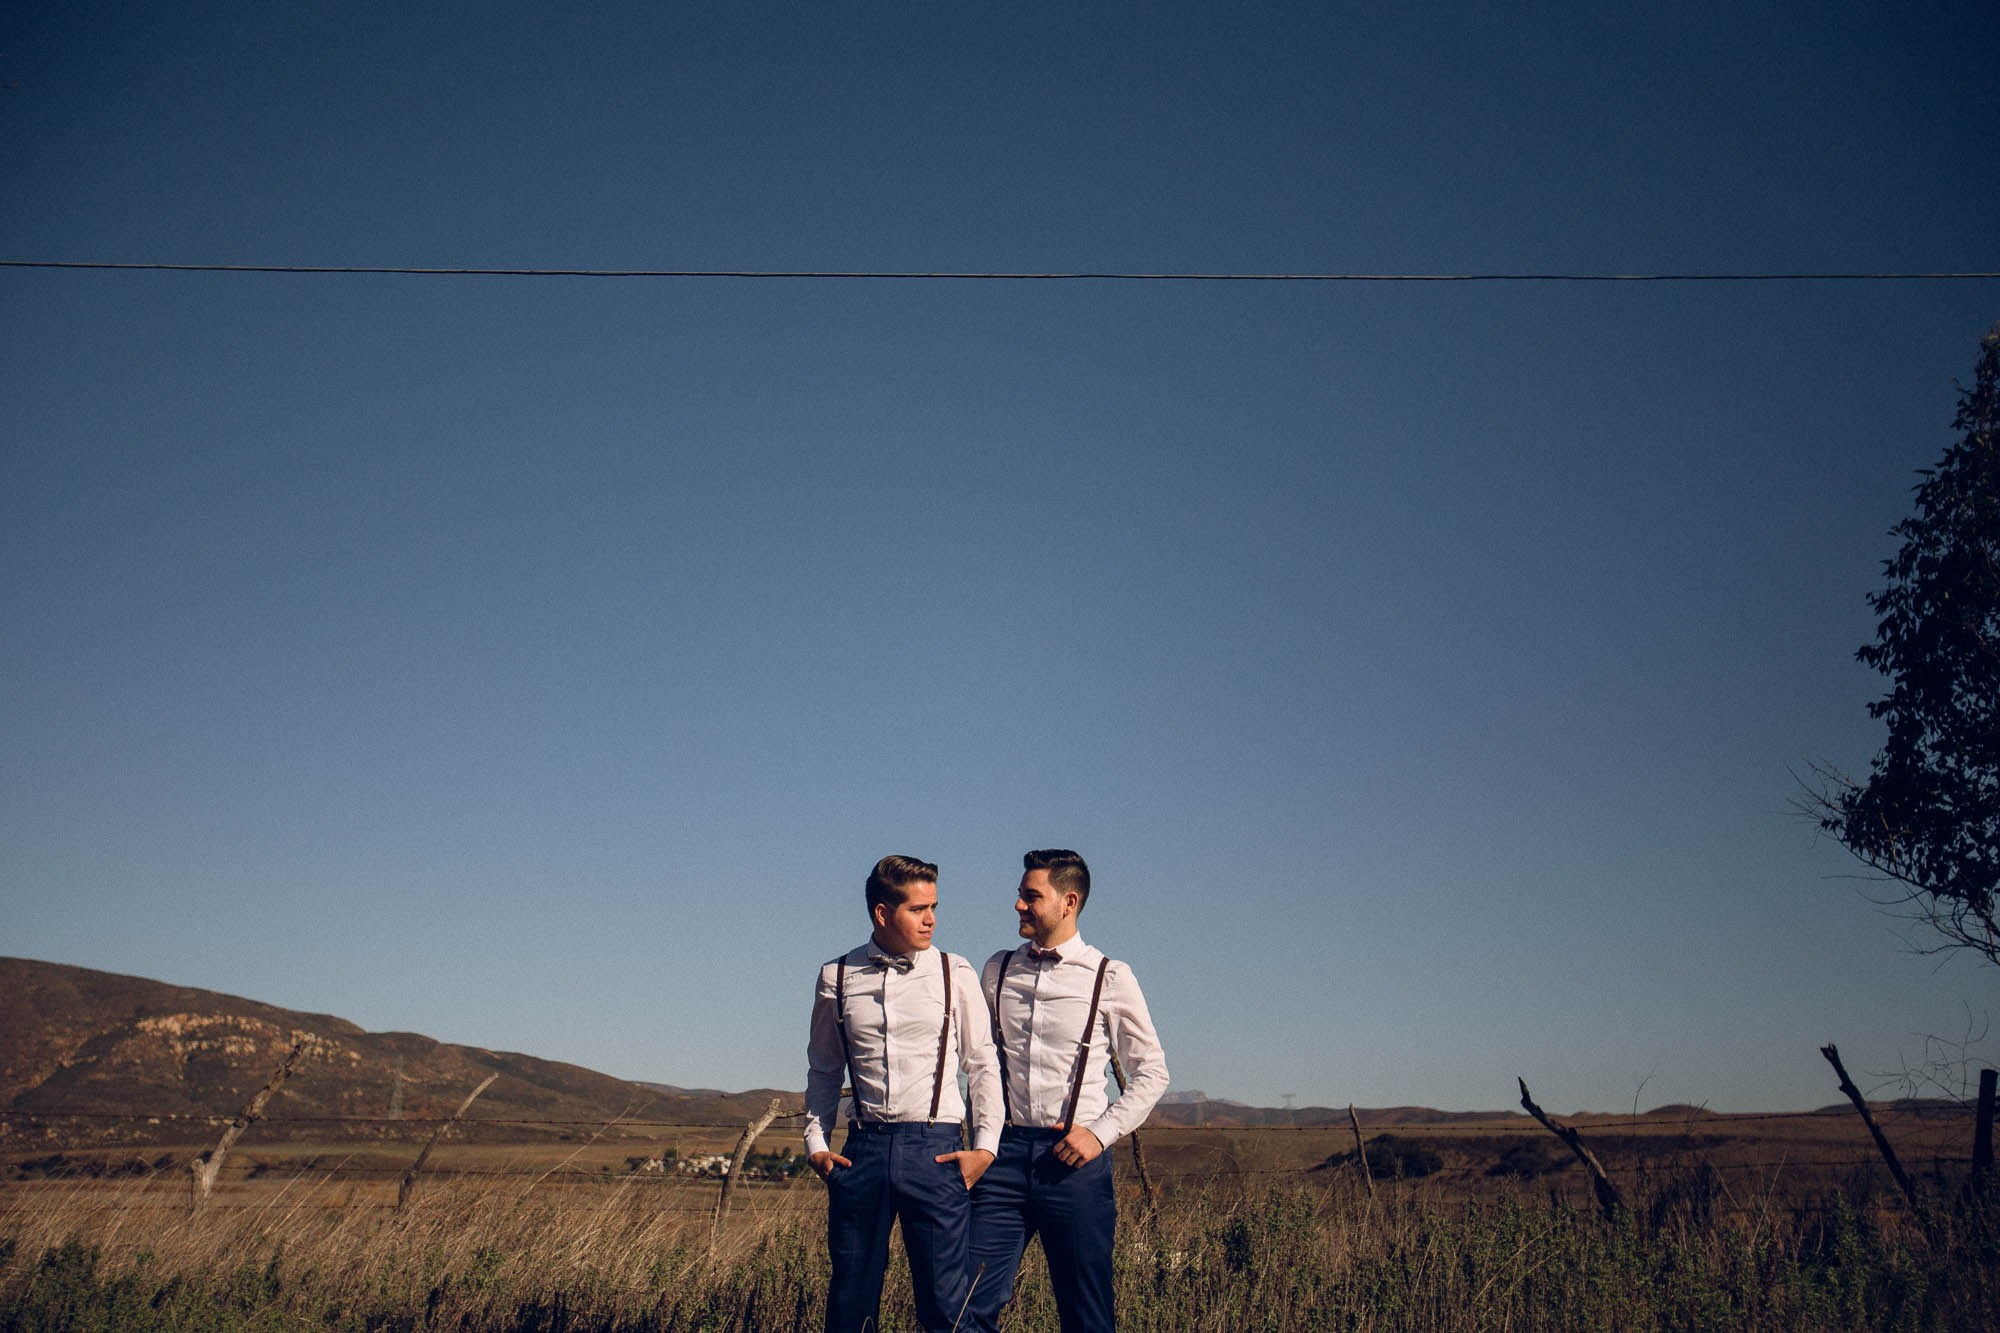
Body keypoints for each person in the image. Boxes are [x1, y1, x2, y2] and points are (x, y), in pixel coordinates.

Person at [965, 848, 1170, 1332]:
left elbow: (1152, 1072)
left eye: (1030, 896)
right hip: (1003, 1158)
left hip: (1073, 1162)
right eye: (1019, 894)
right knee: (966, 1301)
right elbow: (979, 1062)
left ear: (1068, 902)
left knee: (1085, 1314)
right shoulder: (996, 969)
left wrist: (1098, 1135)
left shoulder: (1110, 976)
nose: (1018, 905)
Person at [804, 854, 1002, 1333]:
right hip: (863, 1152)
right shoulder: (838, 976)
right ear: (881, 913)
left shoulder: (955, 971)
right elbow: (824, 1069)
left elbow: (982, 1061)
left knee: (947, 1305)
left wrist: (986, 1148)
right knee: (852, 1300)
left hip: (935, 1150)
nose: (931, 918)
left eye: (934, 906)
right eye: (918, 909)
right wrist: (816, 1143)